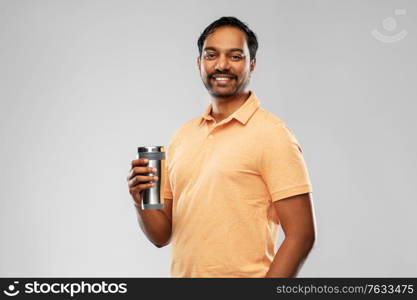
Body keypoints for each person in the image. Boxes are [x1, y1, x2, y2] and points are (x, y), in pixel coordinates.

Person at [127, 16, 316, 278]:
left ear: (252, 64)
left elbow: (302, 235)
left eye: (235, 56)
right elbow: (161, 235)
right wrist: (140, 201)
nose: (222, 65)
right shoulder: (183, 136)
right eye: (211, 55)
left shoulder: (273, 135)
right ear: (199, 63)